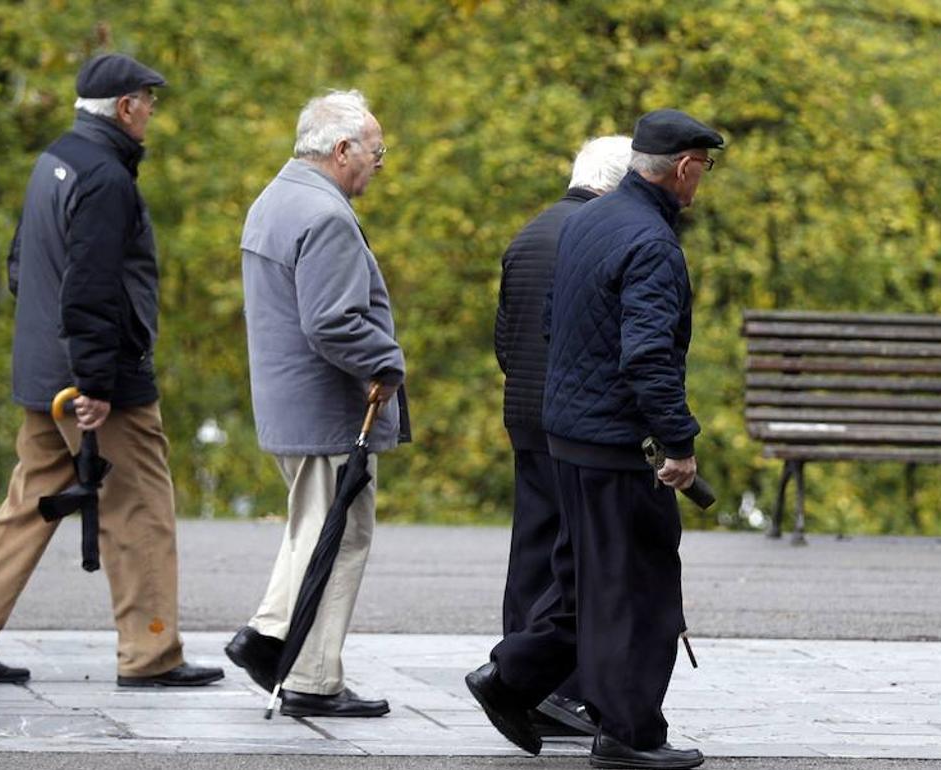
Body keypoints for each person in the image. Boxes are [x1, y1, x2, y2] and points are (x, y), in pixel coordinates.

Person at [0, 53, 224, 688]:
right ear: (124, 108)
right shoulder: (108, 180)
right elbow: (90, 289)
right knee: (140, 509)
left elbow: (20, 264)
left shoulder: (54, 160)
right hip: (94, 382)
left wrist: (54, 357)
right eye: (148, 100)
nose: (152, 111)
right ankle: (150, 654)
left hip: (44, 370)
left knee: (31, 502)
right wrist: (95, 382)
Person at [466, 109, 724, 770]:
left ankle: (510, 679)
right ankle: (628, 735)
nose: (704, 181)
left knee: (586, 584)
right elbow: (648, 358)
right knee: (639, 591)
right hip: (616, 445)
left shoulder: (586, 223)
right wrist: (678, 443)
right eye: (707, 167)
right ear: (686, 167)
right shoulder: (652, 243)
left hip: (568, 437)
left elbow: (554, 323)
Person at [225, 89, 407, 719]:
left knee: (314, 529)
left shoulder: (274, 199)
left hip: (289, 404)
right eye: (376, 153)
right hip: (328, 409)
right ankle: (309, 674)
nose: (379, 164)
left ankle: (270, 637)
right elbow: (332, 323)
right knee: (341, 536)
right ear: (342, 150)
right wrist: (387, 361)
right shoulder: (324, 215)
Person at [493, 135, 632, 738]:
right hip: (572, 421)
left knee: (531, 551)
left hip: (523, 410)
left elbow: (504, 335)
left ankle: (516, 680)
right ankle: (556, 690)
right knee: (576, 558)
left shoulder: (529, 232)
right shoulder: (595, 236)